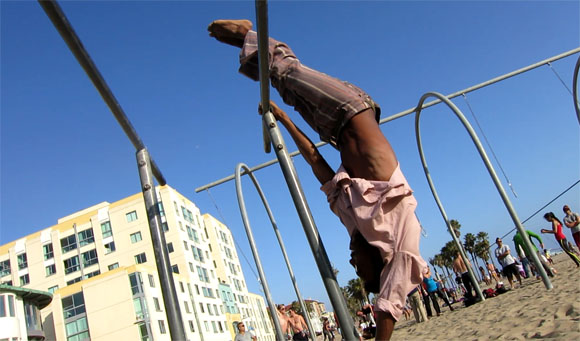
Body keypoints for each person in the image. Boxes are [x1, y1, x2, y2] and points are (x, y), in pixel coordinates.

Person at [208, 19, 427, 340]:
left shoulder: (353, 221)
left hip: (333, 130)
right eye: (361, 270)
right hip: (353, 107)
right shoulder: (401, 242)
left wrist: (283, 119)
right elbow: (389, 304)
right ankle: (247, 34)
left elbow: (314, 159)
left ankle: (250, 51)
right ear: (380, 267)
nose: (353, 264)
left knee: (284, 89)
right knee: (288, 72)